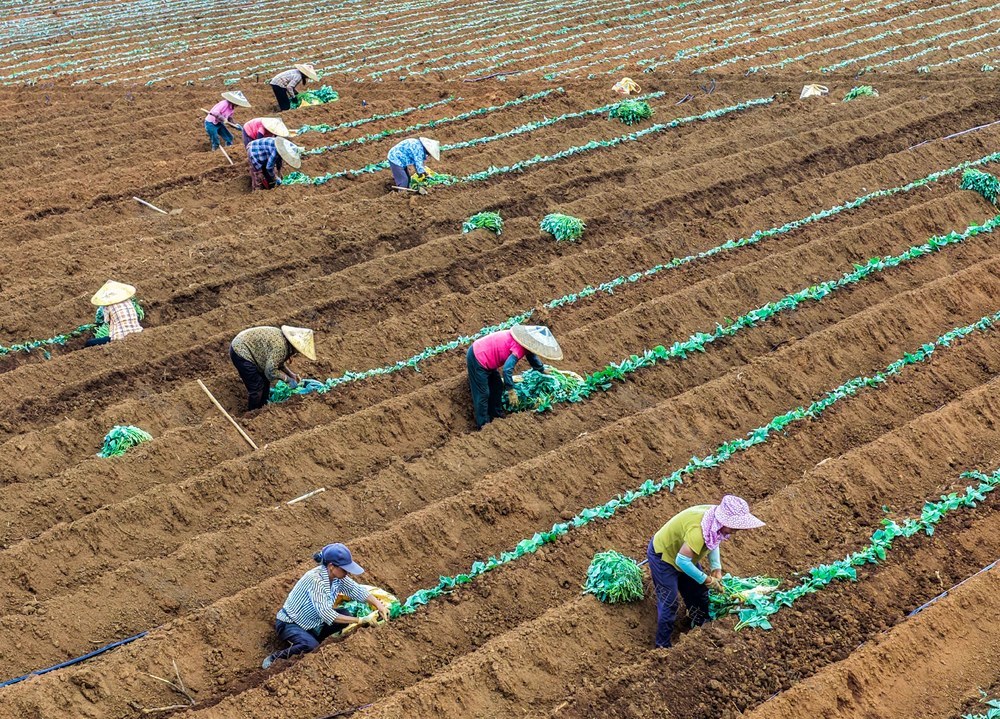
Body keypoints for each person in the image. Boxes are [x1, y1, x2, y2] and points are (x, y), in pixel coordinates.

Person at [647, 495, 765, 648]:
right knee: (669, 603)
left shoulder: (713, 520)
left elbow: (713, 539)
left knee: (698, 593)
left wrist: (716, 568)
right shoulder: (697, 530)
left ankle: (701, 628)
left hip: (684, 557)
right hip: (664, 557)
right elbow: (681, 561)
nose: (736, 530)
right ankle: (662, 647)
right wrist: (707, 580)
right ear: (724, 521)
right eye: (735, 526)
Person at [262, 543, 390, 669]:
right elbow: (327, 615)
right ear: (331, 566)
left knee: (346, 615)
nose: (347, 573)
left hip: (313, 623)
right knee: (311, 646)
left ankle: (311, 639)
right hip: (290, 623)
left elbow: (356, 590)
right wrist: (361, 620)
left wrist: (380, 606)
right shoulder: (316, 580)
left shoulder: (338, 578)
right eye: (344, 569)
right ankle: (275, 658)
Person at [467, 324, 561, 429]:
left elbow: (531, 356)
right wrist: (511, 390)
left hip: (487, 358)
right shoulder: (519, 348)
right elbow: (507, 370)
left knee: (497, 386)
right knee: (483, 393)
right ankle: (483, 425)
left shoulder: (525, 344)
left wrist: (541, 369)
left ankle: (496, 415)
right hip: (477, 357)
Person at [229, 324, 315, 411]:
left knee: (265, 382)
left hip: (250, 349)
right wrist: (287, 379)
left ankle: (262, 408)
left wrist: (291, 374)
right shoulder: (281, 346)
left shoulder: (284, 343)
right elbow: (270, 370)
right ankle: (252, 413)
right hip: (241, 352)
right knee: (257, 387)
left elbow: (277, 362)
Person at [86, 280, 143, 347]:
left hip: (119, 336)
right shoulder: (128, 301)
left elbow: (106, 321)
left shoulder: (107, 306)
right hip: (138, 332)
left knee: (89, 343)